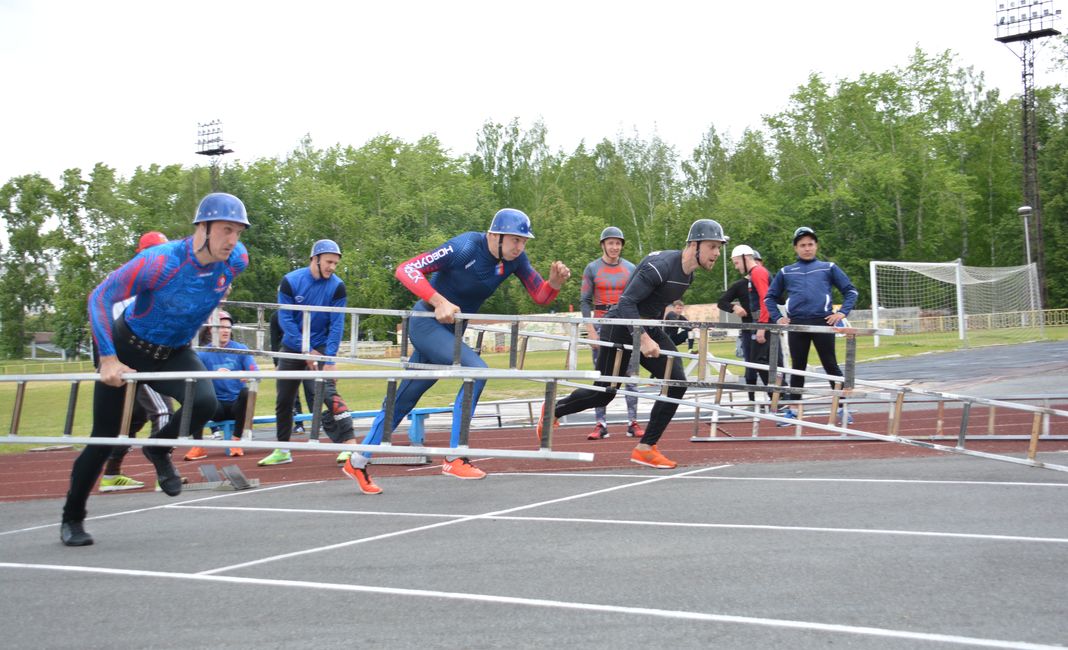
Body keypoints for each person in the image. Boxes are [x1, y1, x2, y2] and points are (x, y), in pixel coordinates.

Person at [60, 192, 250, 546]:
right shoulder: (159, 261)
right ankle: (72, 517)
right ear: (203, 228)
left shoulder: (236, 261)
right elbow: (100, 297)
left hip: (175, 351)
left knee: (205, 402)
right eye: (226, 230)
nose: (233, 240)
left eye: (238, 232)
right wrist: (107, 358)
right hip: (127, 348)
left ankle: (158, 449)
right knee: (103, 439)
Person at [345, 208, 571, 494]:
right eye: (515, 240)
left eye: (524, 241)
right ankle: (455, 456)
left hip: (452, 332)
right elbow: (406, 269)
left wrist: (554, 284)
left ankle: (358, 460)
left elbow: (539, 296)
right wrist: (438, 301)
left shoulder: (516, 260)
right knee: (476, 372)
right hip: (427, 324)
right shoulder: (463, 247)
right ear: (495, 235)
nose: (520, 247)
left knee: (404, 399)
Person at [542, 219, 729, 470]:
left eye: (719, 247)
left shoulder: (689, 275)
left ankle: (646, 448)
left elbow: (655, 304)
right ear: (694, 244)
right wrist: (644, 339)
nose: (717, 253)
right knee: (605, 393)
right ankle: (554, 410)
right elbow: (626, 303)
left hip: (647, 326)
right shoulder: (659, 267)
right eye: (713, 246)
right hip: (619, 327)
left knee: (676, 382)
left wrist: (662, 332)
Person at [262, 239, 358, 467]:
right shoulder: (290, 282)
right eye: (328, 262)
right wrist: (305, 350)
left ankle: (350, 445)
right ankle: (283, 448)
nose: (332, 267)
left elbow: (337, 324)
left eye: (335, 263)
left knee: (327, 392)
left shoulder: (337, 286)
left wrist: (330, 357)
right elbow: (285, 319)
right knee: (284, 399)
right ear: (314, 259)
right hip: (294, 347)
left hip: (322, 347)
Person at [98, 231, 176, 492]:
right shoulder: (128, 282)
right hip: (130, 360)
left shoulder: (154, 283)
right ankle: (163, 474)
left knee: (133, 418)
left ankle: (111, 474)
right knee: (163, 411)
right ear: (144, 255)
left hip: (136, 359)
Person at [765, 226, 859, 426]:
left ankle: (842, 409)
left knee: (830, 365)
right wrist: (778, 318)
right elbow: (770, 297)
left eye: (810, 244)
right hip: (797, 324)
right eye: (802, 245)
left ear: (816, 246)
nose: (807, 248)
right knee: (798, 368)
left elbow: (851, 291)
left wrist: (841, 313)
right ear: (795, 248)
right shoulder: (786, 271)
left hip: (823, 322)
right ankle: (793, 411)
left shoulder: (828, 267)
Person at [579, 226, 640, 440]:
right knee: (602, 375)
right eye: (610, 243)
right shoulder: (592, 268)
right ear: (603, 244)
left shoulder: (631, 268)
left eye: (618, 243)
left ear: (622, 245)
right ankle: (600, 423)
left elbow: (638, 298)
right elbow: (585, 301)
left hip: (625, 324)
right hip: (601, 325)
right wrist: (590, 332)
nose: (614, 247)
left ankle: (632, 422)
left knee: (631, 376)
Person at [194, 310, 259, 458]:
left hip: (237, 405)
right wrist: (213, 376)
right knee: (195, 394)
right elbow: (194, 378)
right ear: (211, 329)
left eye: (228, 327)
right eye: (221, 327)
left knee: (247, 392)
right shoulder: (202, 353)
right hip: (216, 406)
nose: (225, 331)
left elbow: (255, 373)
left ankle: (236, 442)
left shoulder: (241, 349)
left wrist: (245, 376)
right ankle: (198, 446)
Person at [717, 253, 757, 404]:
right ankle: (752, 399)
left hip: (767, 328)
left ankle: (778, 398)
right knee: (750, 364)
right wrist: (734, 307)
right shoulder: (740, 285)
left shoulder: (766, 280)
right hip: (748, 330)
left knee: (773, 363)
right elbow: (721, 302)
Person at [269, 310, 310, 433]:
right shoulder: (276, 315)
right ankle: (299, 423)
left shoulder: (304, 312)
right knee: (292, 393)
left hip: (307, 353)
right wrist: (276, 362)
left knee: (312, 389)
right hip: (287, 355)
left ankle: (316, 421)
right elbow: (274, 340)